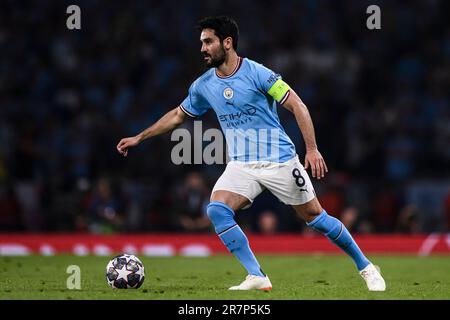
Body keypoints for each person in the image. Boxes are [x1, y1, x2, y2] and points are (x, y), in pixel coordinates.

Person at [117, 16, 385, 291]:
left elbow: (298, 105)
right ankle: (257, 275)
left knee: (315, 218)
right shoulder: (203, 85)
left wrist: (312, 148)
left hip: (279, 161)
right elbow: (176, 116)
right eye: (201, 43)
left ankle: (366, 267)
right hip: (242, 165)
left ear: (228, 43)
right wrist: (140, 136)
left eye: (208, 42)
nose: (203, 48)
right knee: (217, 210)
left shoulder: (259, 74)